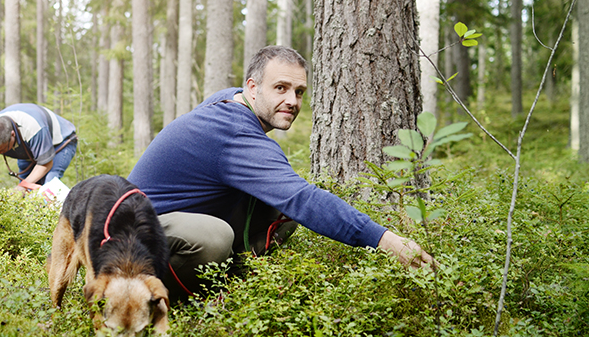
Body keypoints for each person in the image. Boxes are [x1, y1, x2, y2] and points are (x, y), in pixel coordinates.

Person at [128, 45, 435, 299]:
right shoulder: (235, 132)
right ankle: (155, 296)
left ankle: (239, 280)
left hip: (160, 225)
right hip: (127, 245)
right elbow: (305, 199)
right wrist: (384, 240)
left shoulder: (230, 100)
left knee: (280, 211)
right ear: (252, 87)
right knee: (215, 238)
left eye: (299, 91)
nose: (292, 101)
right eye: (280, 88)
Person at [0, 103, 77, 192]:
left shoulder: (33, 128)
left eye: (3, 149)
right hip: (28, 149)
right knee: (24, 190)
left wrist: (24, 185)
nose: (0, 153)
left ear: (12, 135)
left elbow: (45, 163)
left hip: (60, 142)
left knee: (48, 184)